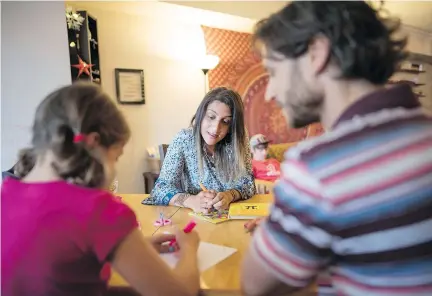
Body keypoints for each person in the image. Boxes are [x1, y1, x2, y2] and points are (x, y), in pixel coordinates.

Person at [241, 2, 432, 296]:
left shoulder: (318, 166)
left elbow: (254, 285)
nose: (270, 92)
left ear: (316, 53)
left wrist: (284, 230)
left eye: (274, 71)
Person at [1, 83, 200, 296]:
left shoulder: (6, 194)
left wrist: (127, 250)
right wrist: (189, 249)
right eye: (116, 157)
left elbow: (58, 268)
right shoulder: (97, 209)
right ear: (94, 144)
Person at [143, 87, 256, 213]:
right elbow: (160, 189)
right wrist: (191, 201)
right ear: (201, 114)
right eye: (211, 117)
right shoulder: (184, 139)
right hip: (194, 219)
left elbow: (248, 184)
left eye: (225, 121)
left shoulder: (238, 139)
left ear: (232, 126)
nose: (215, 128)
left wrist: (230, 195)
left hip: (231, 219)